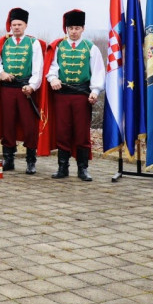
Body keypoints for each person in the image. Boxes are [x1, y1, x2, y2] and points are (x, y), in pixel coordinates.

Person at [40, 9, 105, 181]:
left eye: (77, 28)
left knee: (81, 132)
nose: (74, 31)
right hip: (62, 95)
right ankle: (63, 167)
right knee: (63, 131)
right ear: (66, 29)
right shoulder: (59, 47)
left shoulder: (91, 48)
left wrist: (95, 91)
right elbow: (52, 68)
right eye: (71, 28)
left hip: (82, 95)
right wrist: (53, 78)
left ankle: (83, 169)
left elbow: (98, 72)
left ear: (83, 29)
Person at [0, 7, 45, 174]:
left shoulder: (33, 43)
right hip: (7, 89)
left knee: (29, 125)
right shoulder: (3, 42)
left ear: (25, 25)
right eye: (14, 25)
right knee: (8, 124)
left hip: (25, 89)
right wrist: (1, 72)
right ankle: (8, 159)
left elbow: (38, 68)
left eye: (19, 24)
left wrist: (32, 86)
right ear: (10, 26)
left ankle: (30, 161)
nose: (16, 27)